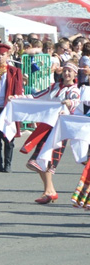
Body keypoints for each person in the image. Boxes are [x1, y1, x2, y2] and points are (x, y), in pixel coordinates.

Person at [18, 59, 80, 204]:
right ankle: (49, 191)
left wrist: (69, 103)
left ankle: (49, 191)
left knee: (44, 160)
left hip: (60, 130)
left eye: (70, 71)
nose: (66, 73)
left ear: (75, 74)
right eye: (65, 70)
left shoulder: (74, 90)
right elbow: (36, 96)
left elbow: (76, 102)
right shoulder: (54, 86)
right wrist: (18, 98)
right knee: (38, 161)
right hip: (47, 127)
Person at [0, 42, 24, 173]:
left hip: (8, 107)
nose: (0, 57)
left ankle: (8, 164)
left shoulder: (14, 71)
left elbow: (18, 90)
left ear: (8, 55)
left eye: (3, 54)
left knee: (8, 136)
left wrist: (15, 98)